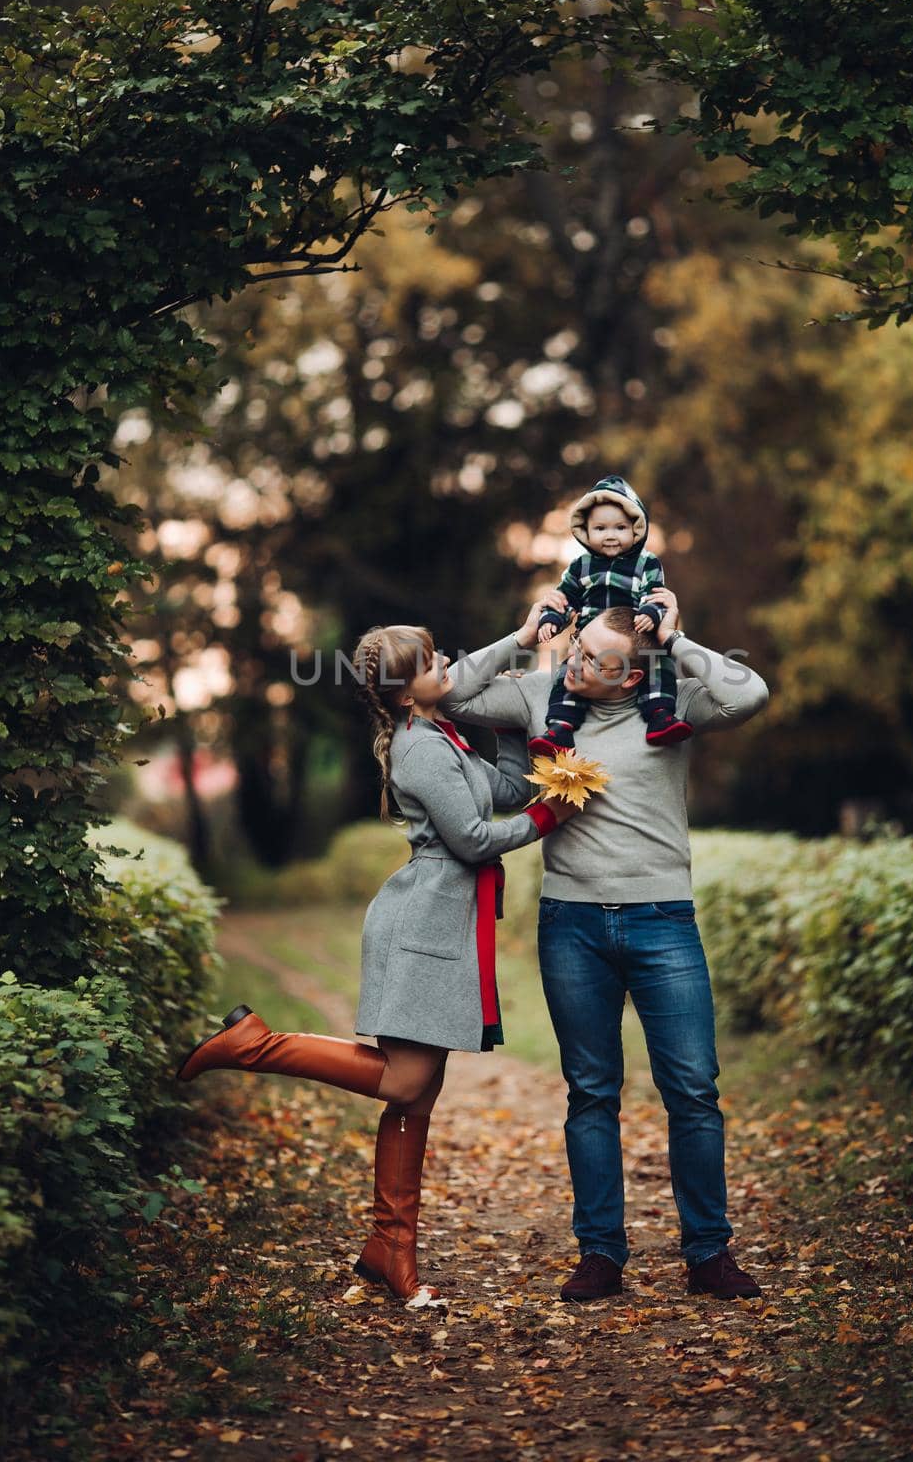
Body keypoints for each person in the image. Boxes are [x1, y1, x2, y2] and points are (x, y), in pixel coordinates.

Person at [175, 623, 576, 1305]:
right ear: (401, 692)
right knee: (404, 1080)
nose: (444, 662)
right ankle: (256, 1045)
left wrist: (518, 720)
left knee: (416, 1096)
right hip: (422, 925)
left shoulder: (443, 735)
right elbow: (475, 839)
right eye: (429, 661)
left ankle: (390, 1249)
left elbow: (506, 789)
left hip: (445, 924)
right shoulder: (421, 751)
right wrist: (549, 820)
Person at [445, 593, 770, 1303]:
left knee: (692, 1091)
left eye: (592, 658)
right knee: (591, 1093)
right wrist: (523, 635)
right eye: (575, 646)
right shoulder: (540, 692)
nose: (573, 660)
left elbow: (751, 695)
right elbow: (454, 693)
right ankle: (599, 1254)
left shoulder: (671, 706)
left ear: (629, 677)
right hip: (572, 926)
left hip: (663, 923)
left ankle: (708, 1253)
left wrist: (677, 639)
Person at [529, 473, 691, 754]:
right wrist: (551, 621)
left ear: (636, 529)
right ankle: (561, 727)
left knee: (657, 664)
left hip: (637, 633)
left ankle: (660, 716)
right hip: (591, 639)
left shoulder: (646, 563)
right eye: (600, 528)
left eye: (620, 527)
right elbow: (566, 599)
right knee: (568, 673)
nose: (611, 535)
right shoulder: (580, 566)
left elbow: (655, 594)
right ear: (585, 531)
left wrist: (651, 613)